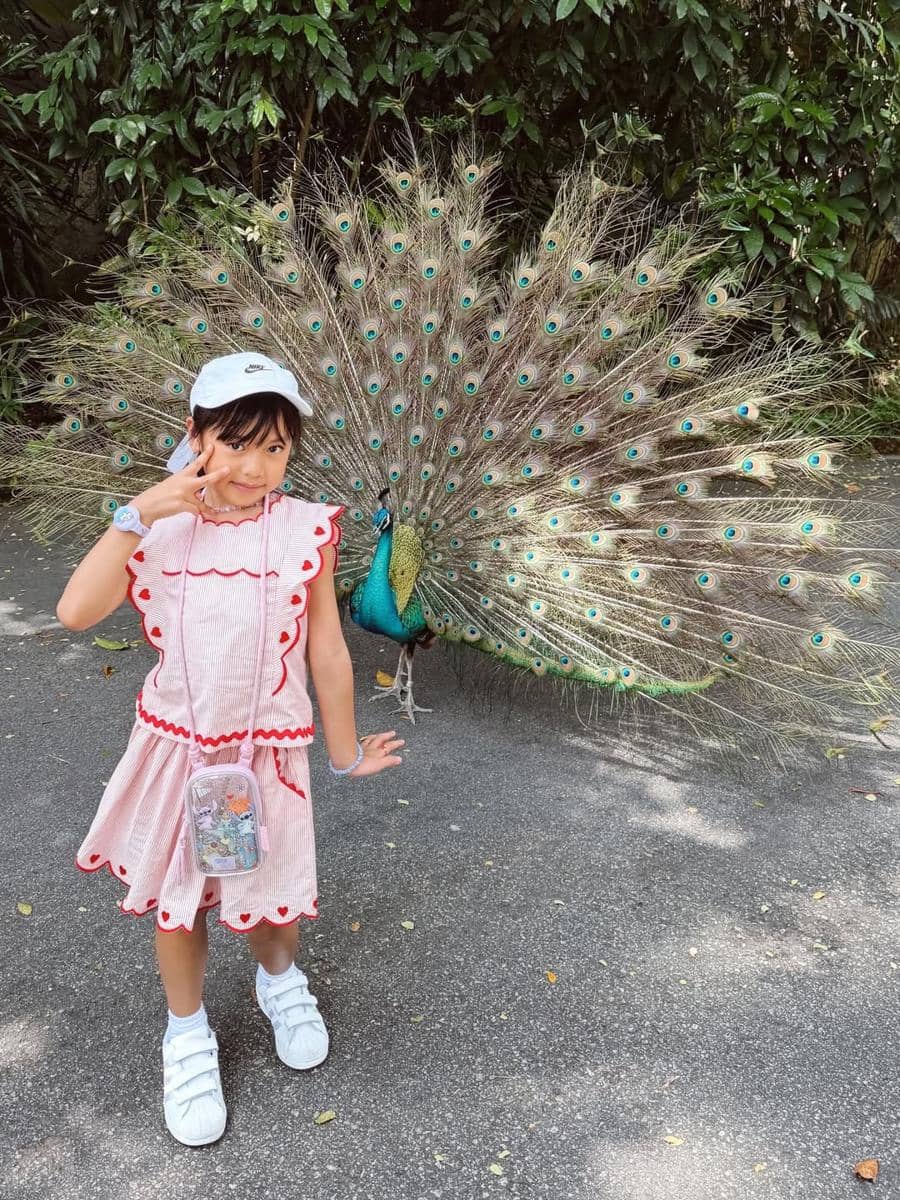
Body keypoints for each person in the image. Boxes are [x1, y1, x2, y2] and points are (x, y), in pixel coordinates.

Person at [56, 351, 403, 1147]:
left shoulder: (304, 529)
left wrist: (344, 752)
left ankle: (279, 980)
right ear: (196, 435)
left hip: (265, 759)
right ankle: (186, 1035)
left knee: (270, 896)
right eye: (236, 443)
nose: (254, 467)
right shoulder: (158, 528)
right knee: (181, 907)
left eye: (275, 448)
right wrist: (136, 513)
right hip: (180, 758)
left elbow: (326, 649)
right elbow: (75, 612)